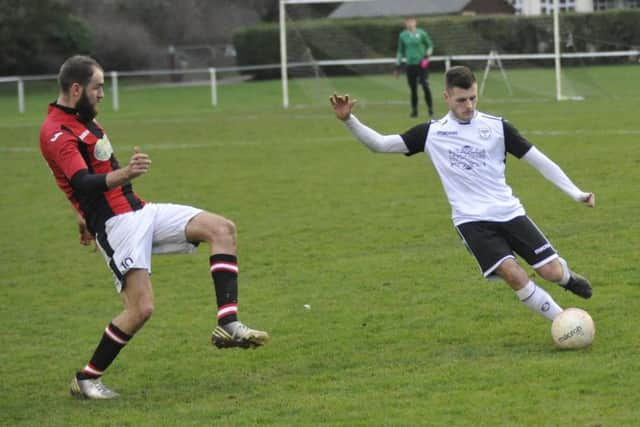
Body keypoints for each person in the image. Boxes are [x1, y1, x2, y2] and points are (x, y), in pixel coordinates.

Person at [39, 55, 269, 400]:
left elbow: (78, 181)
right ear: (76, 89)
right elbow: (81, 181)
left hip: (139, 209)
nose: (102, 93)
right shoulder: (57, 130)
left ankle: (228, 324)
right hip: (118, 226)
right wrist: (124, 175)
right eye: (97, 87)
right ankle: (86, 379)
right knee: (140, 309)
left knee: (222, 229)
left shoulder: (82, 119)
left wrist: (81, 212)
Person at [330, 65, 595, 329]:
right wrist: (348, 120)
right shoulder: (431, 133)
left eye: (472, 98)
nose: (468, 105)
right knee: (514, 275)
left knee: (550, 272)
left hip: (510, 212)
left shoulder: (497, 128)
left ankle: (567, 279)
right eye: (461, 100)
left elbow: (539, 161)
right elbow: (380, 144)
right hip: (472, 221)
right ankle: (567, 323)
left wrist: (576, 192)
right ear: (446, 98)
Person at [394, 16, 434, 118]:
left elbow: (430, 45)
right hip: (410, 65)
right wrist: (397, 65)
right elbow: (400, 51)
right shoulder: (403, 35)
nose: (410, 24)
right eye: (408, 22)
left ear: (415, 23)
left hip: (422, 64)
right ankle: (414, 111)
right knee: (413, 89)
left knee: (425, 85)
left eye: (412, 22)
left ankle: (430, 109)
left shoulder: (422, 33)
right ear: (405, 24)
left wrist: (427, 56)